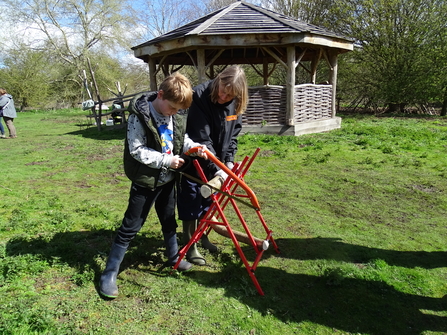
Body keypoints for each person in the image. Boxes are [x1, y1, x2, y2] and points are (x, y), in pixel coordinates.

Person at [99, 72, 208, 299]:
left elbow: (179, 138)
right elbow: (136, 150)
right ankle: (109, 274)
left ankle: (174, 258)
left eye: (178, 110)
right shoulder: (138, 117)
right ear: (160, 95)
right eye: (172, 108)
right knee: (131, 227)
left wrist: (193, 147)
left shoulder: (174, 114)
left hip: (167, 181)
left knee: (168, 220)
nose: (174, 113)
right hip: (146, 182)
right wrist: (168, 160)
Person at [177, 65, 248, 265]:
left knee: (210, 201)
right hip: (196, 160)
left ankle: (202, 235)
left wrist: (229, 161)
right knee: (192, 200)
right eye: (222, 90)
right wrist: (219, 169)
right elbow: (202, 138)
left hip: (218, 163)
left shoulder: (236, 101)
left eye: (230, 95)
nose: (224, 96)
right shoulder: (199, 96)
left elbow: (234, 133)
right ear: (219, 80)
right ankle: (189, 244)